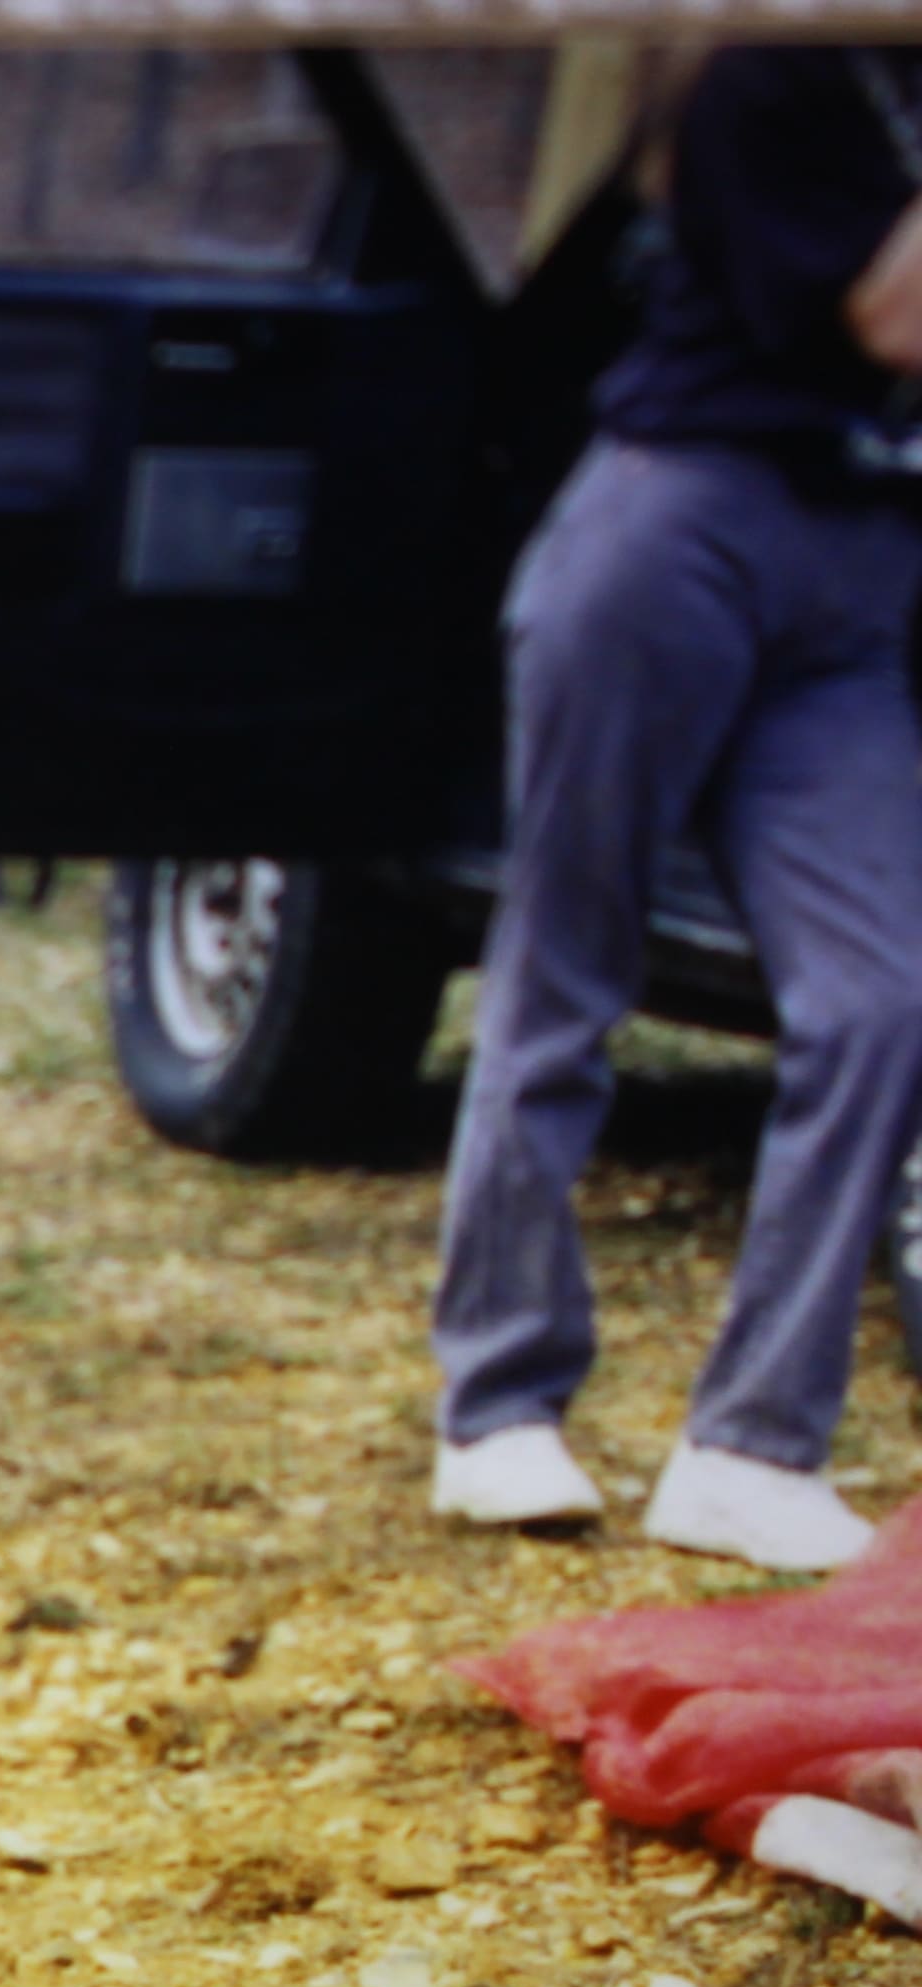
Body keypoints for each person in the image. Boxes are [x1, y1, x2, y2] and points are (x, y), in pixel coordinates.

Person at [430, 45, 922, 1576]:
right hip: (679, 533)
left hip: (854, 563)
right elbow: (893, 312)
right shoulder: (762, 80)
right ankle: (496, 1407)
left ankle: (751, 1445)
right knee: (565, 969)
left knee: (885, 996)